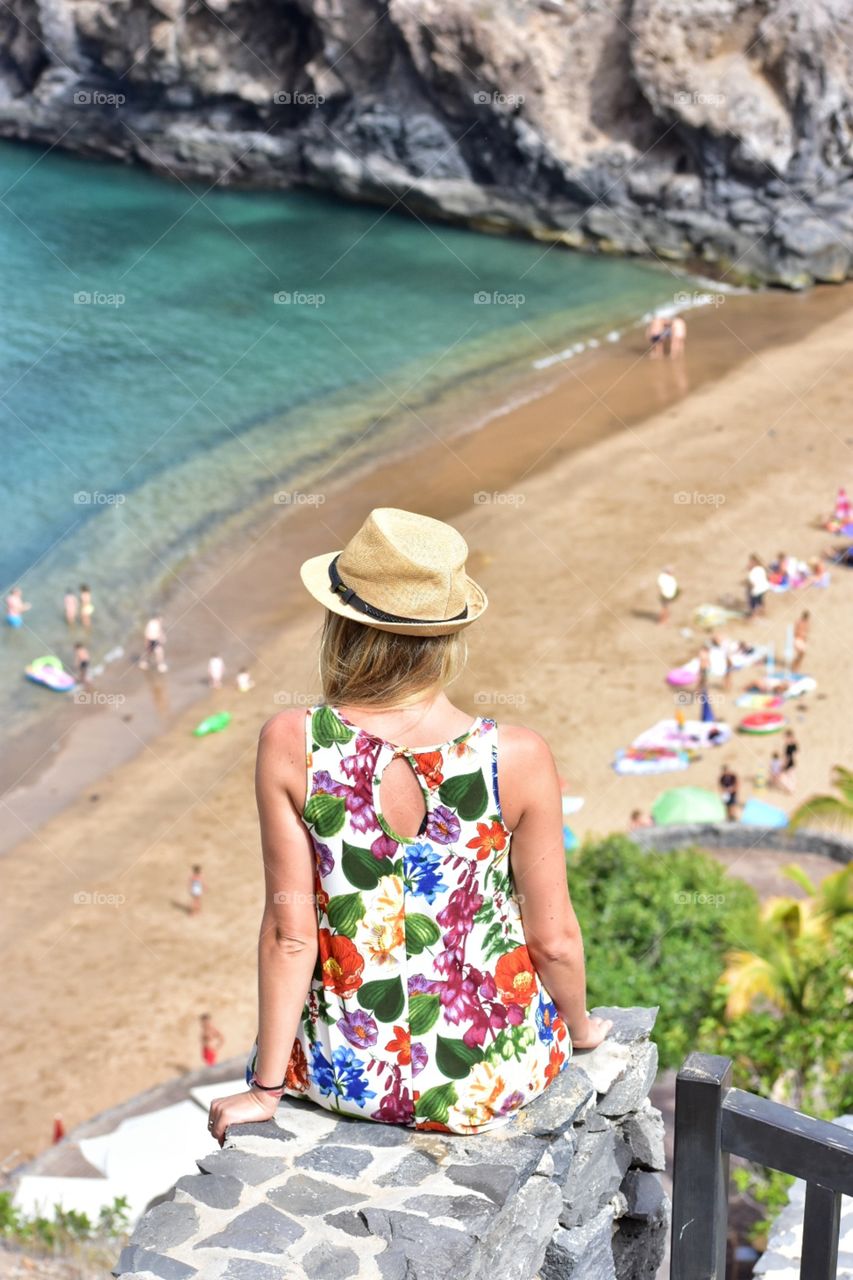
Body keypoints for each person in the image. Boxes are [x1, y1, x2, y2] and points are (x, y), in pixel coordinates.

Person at [206, 507, 613, 1146]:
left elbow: (290, 935)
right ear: (449, 637)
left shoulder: (292, 742)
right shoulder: (517, 756)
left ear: (341, 627)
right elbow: (554, 938)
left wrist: (265, 1090)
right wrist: (581, 1029)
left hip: (346, 1074)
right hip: (493, 1075)